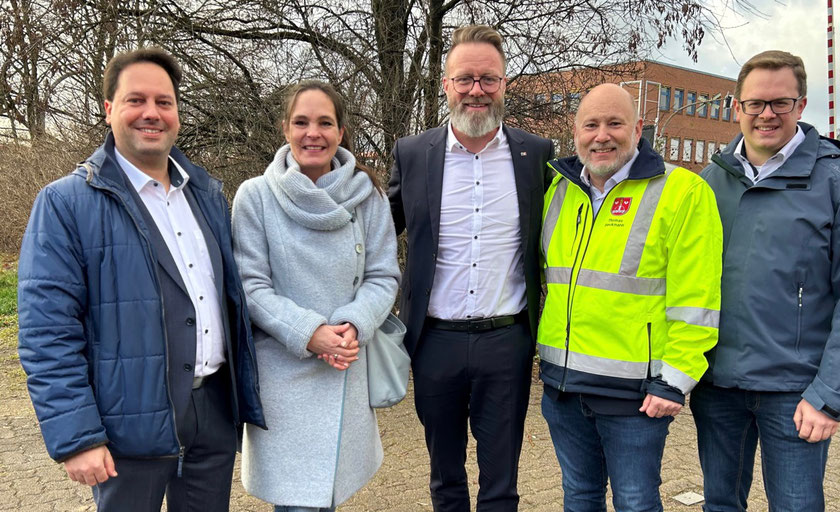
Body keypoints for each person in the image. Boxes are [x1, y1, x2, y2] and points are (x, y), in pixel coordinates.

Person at [17, 48, 265, 511]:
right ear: (109, 109)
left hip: (212, 413)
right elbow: (46, 332)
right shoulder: (66, 204)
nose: (151, 113)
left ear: (177, 113)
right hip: (125, 426)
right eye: (136, 100)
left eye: (164, 102)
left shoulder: (207, 193)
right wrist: (77, 437)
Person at [692, 50, 840, 511]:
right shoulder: (709, 183)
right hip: (717, 387)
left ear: (801, 106)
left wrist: (830, 395)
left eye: (780, 103)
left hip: (797, 394)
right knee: (719, 503)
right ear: (736, 106)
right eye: (755, 103)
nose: (766, 115)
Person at [387, 25, 554, 512]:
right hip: (433, 341)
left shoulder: (536, 155)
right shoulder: (413, 154)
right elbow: (374, 238)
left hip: (508, 341)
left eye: (488, 79)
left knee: (502, 480)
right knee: (444, 477)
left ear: (504, 83)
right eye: (465, 79)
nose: (476, 90)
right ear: (446, 84)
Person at [537, 83, 723, 512]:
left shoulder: (682, 191)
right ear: (576, 131)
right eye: (591, 125)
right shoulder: (559, 190)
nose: (602, 136)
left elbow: (697, 297)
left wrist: (676, 380)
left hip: (636, 396)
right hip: (563, 387)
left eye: (615, 123)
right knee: (578, 498)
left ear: (637, 128)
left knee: (636, 502)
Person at [232, 80, 399, 512]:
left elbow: (383, 276)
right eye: (302, 122)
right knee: (299, 502)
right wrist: (310, 333)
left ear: (341, 132)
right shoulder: (256, 197)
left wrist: (351, 325)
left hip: (346, 363)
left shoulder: (368, 194)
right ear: (285, 129)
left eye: (325, 122)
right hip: (284, 379)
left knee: (324, 499)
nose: (313, 133)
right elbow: (250, 286)